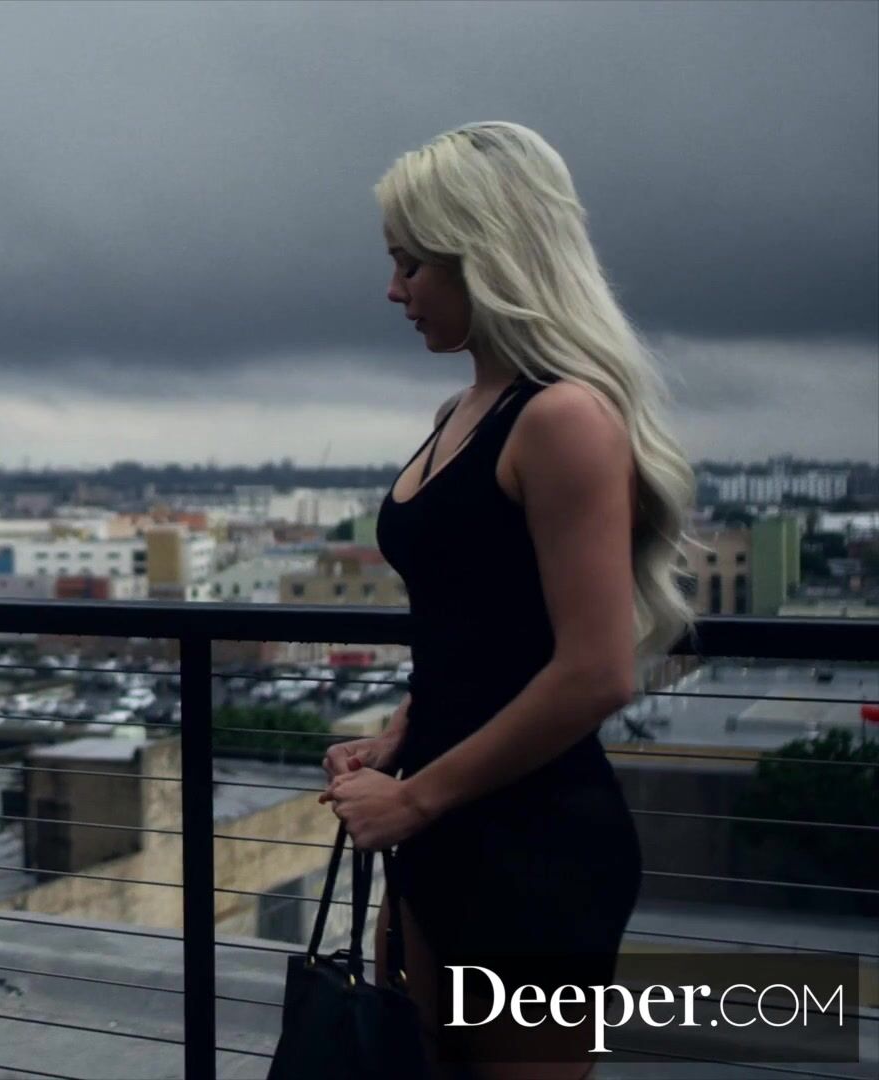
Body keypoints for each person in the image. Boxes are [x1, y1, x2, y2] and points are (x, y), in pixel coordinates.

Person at [318, 122, 696, 1079]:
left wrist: (415, 799)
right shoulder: (461, 412)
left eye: (411, 263)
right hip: (440, 821)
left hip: (534, 845)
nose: (394, 290)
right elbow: (479, 627)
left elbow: (597, 671)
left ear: (482, 255)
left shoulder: (564, 417)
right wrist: (403, 733)